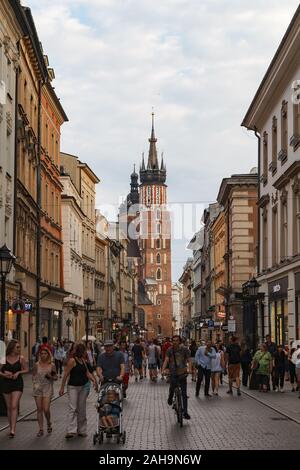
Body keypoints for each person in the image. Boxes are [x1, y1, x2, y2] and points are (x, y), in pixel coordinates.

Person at [59, 342, 97, 439]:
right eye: (84, 351)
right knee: (73, 408)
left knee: (82, 408)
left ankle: (82, 430)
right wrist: (62, 387)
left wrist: (94, 381)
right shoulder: (72, 361)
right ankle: (70, 430)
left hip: (83, 387)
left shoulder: (83, 361)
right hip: (73, 387)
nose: (85, 353)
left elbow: (87, 373)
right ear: (81, 351)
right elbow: (66, 374)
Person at [0, 340, 28, 438]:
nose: (19, 349)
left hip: (17, 383)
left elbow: (26, 369)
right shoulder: (4, 358)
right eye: (17, 347)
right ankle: (10, 426)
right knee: (8, 407)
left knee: (14, 405)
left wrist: (18, 372)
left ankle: (13, 430)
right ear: (12, 348)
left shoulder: (21, 358)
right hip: (6, 383)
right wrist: (5, 374)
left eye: (19, 347)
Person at [162, 335, 191, 420]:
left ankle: (185, 412)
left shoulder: (185, 349)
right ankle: (170, 398)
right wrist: (163, 370)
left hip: (182, 373)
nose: (175, 342)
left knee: (184, 394)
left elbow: (189, 360)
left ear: (180, 341)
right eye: (173, 340)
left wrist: (189, 368)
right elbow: (166, 360)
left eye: (176, 340)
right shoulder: (170, 350)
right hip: (173, 372)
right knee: (172, 387)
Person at [32, 348, 57, 436]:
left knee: (46, 409)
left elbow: (56, 378)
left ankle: (49, 422)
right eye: (41, 353)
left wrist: (50, 376)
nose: (43, 355)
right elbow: (33, 376)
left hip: (48, 388)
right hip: (38, 389)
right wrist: (35, 385)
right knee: (39, 409)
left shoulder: (52, 365)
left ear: (48, 355)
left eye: (45, 353)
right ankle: (41, 429)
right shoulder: (36, 365)